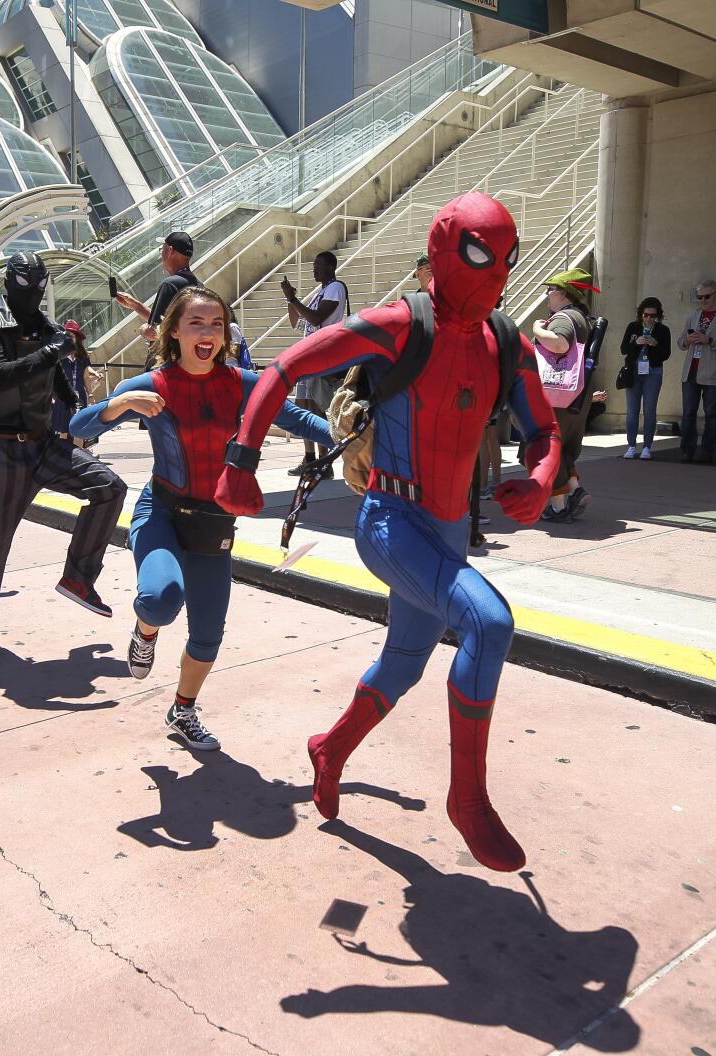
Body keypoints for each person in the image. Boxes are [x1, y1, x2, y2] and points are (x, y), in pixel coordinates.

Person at [216, 192, 562, 872]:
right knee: (488, 623)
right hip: (390, 518)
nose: (494, 273)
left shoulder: (506, 340)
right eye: (478, 256)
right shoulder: (401, 325)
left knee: (404, 665)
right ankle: (468, 800)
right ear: (443, 249)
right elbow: (285, 368)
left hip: (449, 527)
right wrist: (241, 460)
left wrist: (544, 477)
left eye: (505, 260)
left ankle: (330, 748)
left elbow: (544, 428)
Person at [72, 287, 332, 751]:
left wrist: (356, 439)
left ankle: (182, 710)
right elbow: (78, 428)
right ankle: (145, 631)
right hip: (162, 512)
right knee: (159, 598)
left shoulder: (244, 383)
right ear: (174, 331)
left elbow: (298, 419)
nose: (208, 332)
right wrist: (119, 405)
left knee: (208, 634)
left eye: (217, 324)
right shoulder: (150, 385)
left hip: (214, 522)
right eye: (197, 323)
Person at [0, 252, 127, 658]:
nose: (32, 292)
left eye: (38, 284)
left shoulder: (46, 328)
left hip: (44, 441)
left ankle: (78, 577)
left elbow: (53, 380)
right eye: (25, 284)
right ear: (9, 284)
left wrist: (75, 406)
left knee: (109, 487)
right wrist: (53, 351)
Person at [532, 270, 597, 522]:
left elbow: (559, 344)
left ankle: (558, 507)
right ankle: (575, 490)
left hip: (556, 394)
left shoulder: (564, 317)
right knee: (561, 447)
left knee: (546, 446)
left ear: (562, 292)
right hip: (572, 396)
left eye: (550, 290)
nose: (548, 295)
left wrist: (537, 329)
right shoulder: (581, 317)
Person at [281, 251, 348, 476]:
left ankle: (325, 461)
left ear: (330, 267)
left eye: (318, 265)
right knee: (303, 406)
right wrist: (289, 300)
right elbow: (298, 323)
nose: (314, 269)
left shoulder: (336, 287)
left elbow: (317, 318)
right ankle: (310, 458)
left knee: (318, 409)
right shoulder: (320, 293)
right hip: (307, 356)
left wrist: (293, 299)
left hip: (321, 355)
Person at [677, 279, 716, 463]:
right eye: (699, 297)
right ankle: (687, 450)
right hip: (690, 371)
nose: (703, 300)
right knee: (688, 412)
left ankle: (707, 451)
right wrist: (688, 339)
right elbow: (680, 343)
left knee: (711, 413)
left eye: (707, 296)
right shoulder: (694, 316)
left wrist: (709, 340)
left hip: (712, 372)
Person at [114, 230, 201, 345]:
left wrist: (143, 330)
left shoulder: (170, 284)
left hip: (170, 359)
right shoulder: (199, 285)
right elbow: (169, 322)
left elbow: (155, 330)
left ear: (170, 251)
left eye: (162, 249)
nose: (161, 254)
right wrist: (136, 306)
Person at [619, 297, 671, 459]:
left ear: (658, 316)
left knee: (649, 410)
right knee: (632, 411)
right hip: (634, 372)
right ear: (641, 314)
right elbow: (623, 349)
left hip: (653, 372)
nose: (649, 318)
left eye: (653, 316)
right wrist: (636, 343)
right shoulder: (633, 327)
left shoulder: (663, 330)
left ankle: (647, 447)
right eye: (646, 315)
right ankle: (631, 446)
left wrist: (655, 344)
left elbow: (666, 354)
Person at [52, 320, 101, 444]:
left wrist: (90, 394)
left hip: (79, 397)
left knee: (78, 429)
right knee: (63, 430)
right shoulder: (58, 355)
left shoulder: (83, 356)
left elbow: (86, 374)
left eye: (71, 336)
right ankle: (64, 458)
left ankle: (78, 458)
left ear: (77, 339)